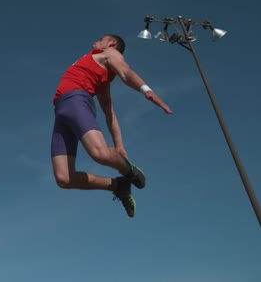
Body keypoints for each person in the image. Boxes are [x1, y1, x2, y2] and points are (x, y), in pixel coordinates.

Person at [51, 34, 172, 217]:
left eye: (101, 39)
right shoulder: (100, 74)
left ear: (111, 43)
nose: (95, 41)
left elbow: (125, 71)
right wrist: (119, 145)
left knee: (99, 153)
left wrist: (146, 90)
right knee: (64, 178)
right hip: (61, 110)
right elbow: (110, 113)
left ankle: (129, 170)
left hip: (76, 100)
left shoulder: (109, 52)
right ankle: (118, 185)